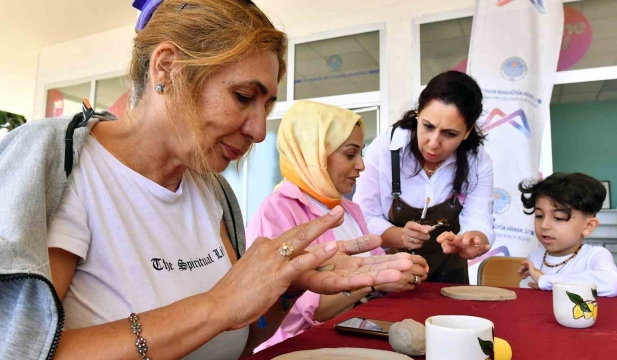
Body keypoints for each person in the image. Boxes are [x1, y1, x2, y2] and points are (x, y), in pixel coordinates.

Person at [0, 1, 415, 359]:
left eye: (267, 104)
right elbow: (27, 350)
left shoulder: (211, 192)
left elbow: (240, 342)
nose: (257, 129)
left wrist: (284, 289)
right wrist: (216, 305)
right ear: (168, 67)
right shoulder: (68, 171)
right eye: (242, 96)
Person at [246, 100, 429, 351]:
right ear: (314, 153)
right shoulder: (277, 212)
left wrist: (402, 268)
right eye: (350, 154)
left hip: (353, 335)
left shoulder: (349, 209)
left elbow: (375, 261)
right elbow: (301, 310)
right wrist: (373, 281)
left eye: (361, 153)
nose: (361, 165)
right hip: (298, 350)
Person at [353, 70, 494, 284]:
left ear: (467, 131)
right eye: (428, 127)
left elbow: (479, 219)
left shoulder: (477, 160)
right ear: (418, 114)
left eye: (450, 134)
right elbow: (364, 217)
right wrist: (400, 236)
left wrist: (471, 240)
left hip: (450, 276)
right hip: (391, 273)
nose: (433, 143)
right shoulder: (385, 148)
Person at [517, 173, 617, 297]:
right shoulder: (535, 256)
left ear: (588, 226)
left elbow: (612, 283)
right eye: (539, 216)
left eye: (558, 218)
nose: (544, 225)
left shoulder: (594, 255)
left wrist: (545, 280)